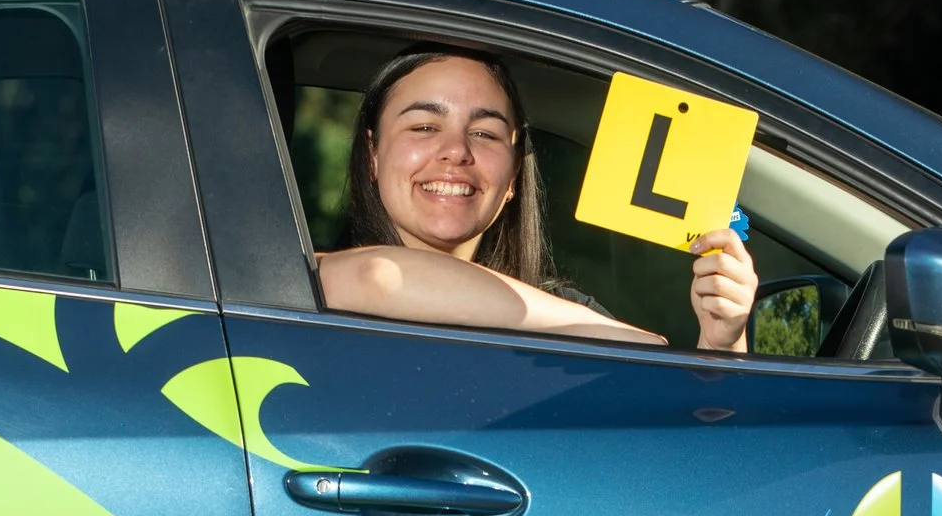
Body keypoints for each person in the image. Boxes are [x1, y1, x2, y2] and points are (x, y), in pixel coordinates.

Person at [316, 46, 757, 349]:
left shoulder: (573, 312)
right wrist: (627, 342)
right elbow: (379, 275)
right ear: (372, 155)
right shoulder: (288, 286)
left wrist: (720, 345)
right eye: (425, 127)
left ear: (513, 178)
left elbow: (682, 449)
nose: (456, 151)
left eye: (484, 133)